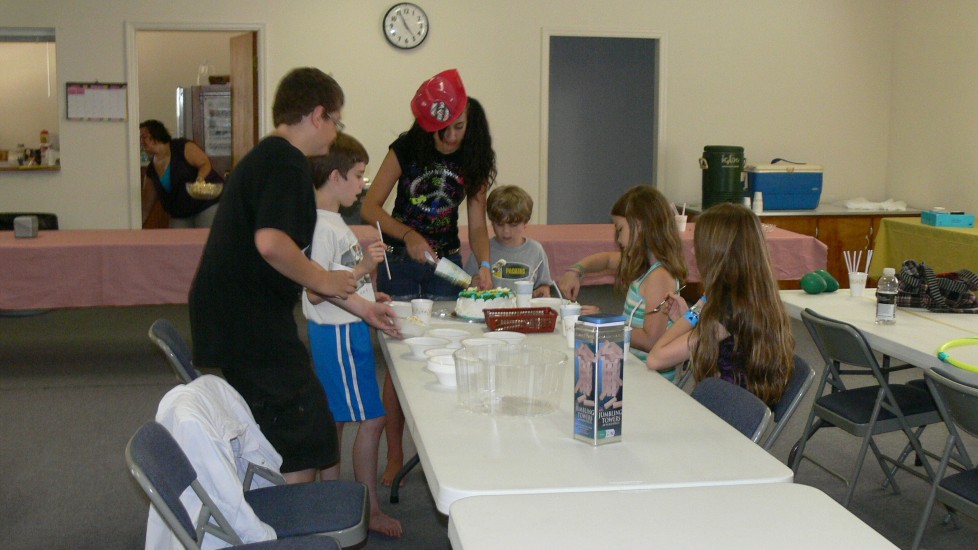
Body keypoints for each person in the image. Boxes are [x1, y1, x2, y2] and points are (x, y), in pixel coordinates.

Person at [189, 67, 390, 485]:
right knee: (302, 433)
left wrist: (363, 309)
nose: (335, 132)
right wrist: (322, 279)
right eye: (336, 121)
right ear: (318, 115)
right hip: (245, 320)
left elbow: (281, 253)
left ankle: (309, 508)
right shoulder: (286, 163)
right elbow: (271, 244)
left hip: (239, 315)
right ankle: (291, 518)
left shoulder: (271, 156)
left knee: (314, 424)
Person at [360, 68, 498, 486]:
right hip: (399, 262)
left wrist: (484, 265)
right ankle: (395, 454)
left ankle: (446, 448)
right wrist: (407, 234)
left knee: (450, 351)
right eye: (443, 130)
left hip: (445, 264)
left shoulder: (474, 154)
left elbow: (477, 224)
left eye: (459, 126)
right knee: (400, 360)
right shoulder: (407, 147)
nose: (451, 136)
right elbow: (370, 207)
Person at [303, 134, 403, 537]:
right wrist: (363, 268)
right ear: (335, 176)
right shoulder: (321, 226)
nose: (363, 184)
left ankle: (334, 504)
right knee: (373, 419)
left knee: (337, 420)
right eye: (359, 175)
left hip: (345, 330)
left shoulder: (330, 222)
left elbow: (335, 280)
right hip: (339, 336)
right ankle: (368, 509)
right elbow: (316, 289)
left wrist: (368, 294)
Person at [646, 202, 794, 406]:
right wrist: (692, 315)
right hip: (742, 401)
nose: (694, 252)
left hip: (730, 412)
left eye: (699, 246)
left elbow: (656, 358)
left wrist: (693, 314)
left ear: (717, 253)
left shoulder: (726, 312)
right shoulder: (753, 295)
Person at [556, 185, 687, 380]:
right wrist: (576, 271)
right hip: (634, 366)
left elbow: (651, 340)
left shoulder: (659, 276)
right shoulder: (643, 264)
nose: (618, 239)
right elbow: (607, 259)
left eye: (620, 229)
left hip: (651, 378)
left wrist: (607, 323)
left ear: (639, 225)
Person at [463, 185, 552, 296]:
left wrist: (542, 291)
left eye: (513, 225)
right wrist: (472, 284)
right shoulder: (482, 250)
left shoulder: (536, 250)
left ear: (526, 222)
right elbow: (465, 283)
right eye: (499, 224)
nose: (506, 232)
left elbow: (544, 285)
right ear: (491, 221)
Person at [139, 119, 224, 228]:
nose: (141, 141)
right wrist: (136, 226)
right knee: (176, 237)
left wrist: (200, 178)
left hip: (205, 205)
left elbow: (204, 164)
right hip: (179, 214)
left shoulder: (182, 147)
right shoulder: (151, 171)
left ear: (156, 134)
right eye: (140, 138)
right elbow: (146, 206)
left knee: (207, 237)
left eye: (144, 137)